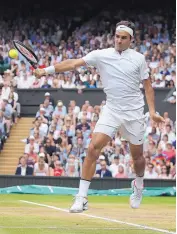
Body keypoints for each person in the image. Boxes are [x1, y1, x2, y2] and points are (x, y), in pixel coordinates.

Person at [34, 20, 165, 212]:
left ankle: (138, 185)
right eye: (117, 36)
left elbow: (148, 86)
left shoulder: (139, 59)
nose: (119, 40)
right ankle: (82, 197)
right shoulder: (100, 55)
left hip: (135, 113)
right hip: (111, 110)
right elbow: (73, 63)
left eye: (123, 38)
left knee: (137, 158)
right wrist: (46, 71)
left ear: (131, 40)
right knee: (93, 148)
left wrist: (152, 112)